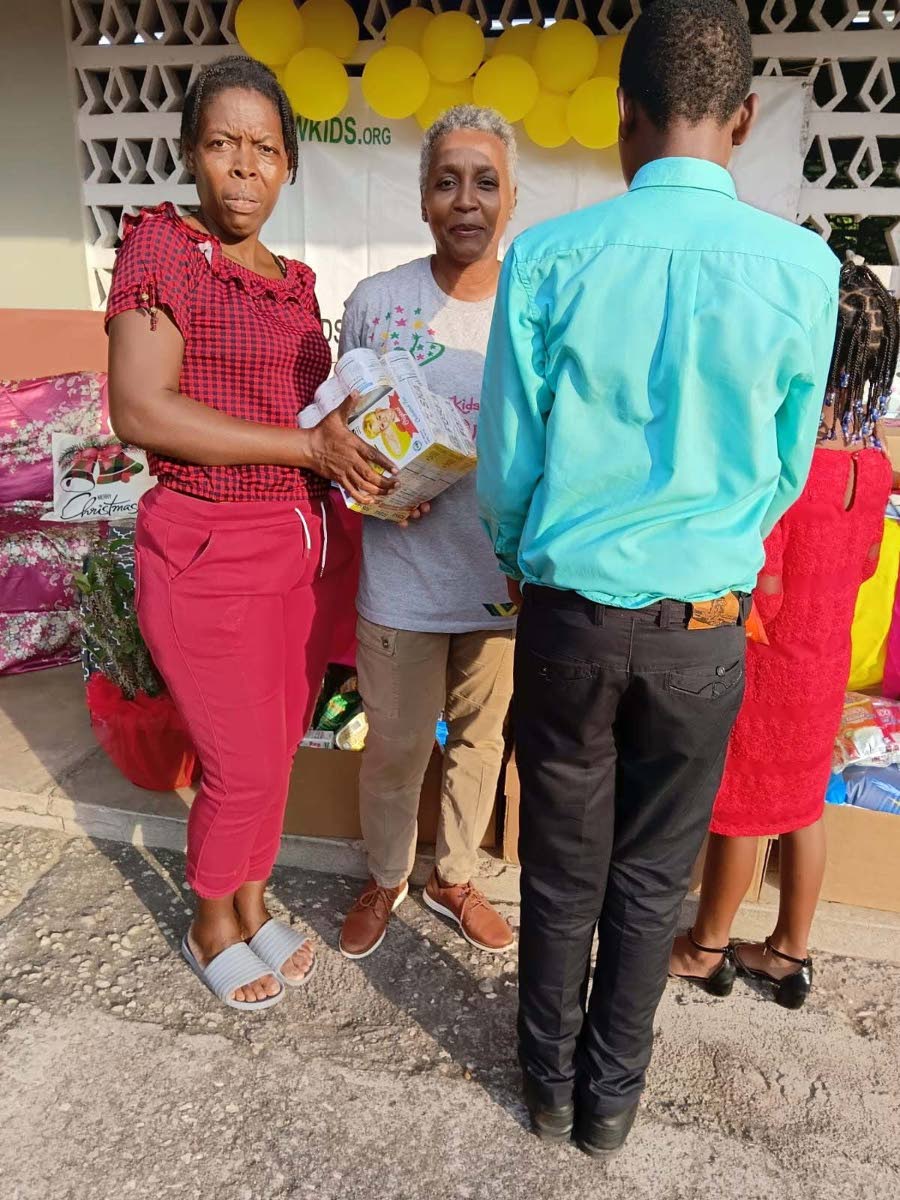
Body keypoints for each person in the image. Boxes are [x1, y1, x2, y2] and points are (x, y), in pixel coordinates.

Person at [477, 0, 840, 1158]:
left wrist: (527, 556)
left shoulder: (545, 256)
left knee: (561, 868)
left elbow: (507, 468)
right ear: (741, 118)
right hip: (704, 636)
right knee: (650, 880)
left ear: (621, 118)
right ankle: (608, 1108)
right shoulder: (803, 268)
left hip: (569, 620)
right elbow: (787, 469)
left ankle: (544, 1083)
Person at [106, 57, 396, 1012]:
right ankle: (209, 922)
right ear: (190, 152)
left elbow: (307, 409)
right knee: (235, 758)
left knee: (275, 748)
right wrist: (306, 444)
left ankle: (255, 900)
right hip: (207, 546)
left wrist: (370, 443)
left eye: (263, 150)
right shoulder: (162, 251)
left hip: (302, 550)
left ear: (288, 166)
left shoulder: (294, 278)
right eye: (222, 145)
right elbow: (142, 411)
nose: (242, 168)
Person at [670, 261, 897, 1007]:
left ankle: (706, 949)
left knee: (739, 810)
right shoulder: (871, 464)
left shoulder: (787, 464)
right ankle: (790, 952)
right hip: (823, 666)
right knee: (802, 809)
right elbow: (863, 568)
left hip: (767, 669)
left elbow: (746, 574)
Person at [337, 107, 518, 961]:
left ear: (510, 197)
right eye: (447, 180)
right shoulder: (376, 303)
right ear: (421, 199)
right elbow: (343, 431)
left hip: (501, 582)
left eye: (485, 180)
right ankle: (387, 873)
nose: (466, 199)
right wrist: (371, 487)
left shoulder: (535, 305)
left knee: (480, 743)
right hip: (402, 575)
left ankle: (455, 874)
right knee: (398, 746)